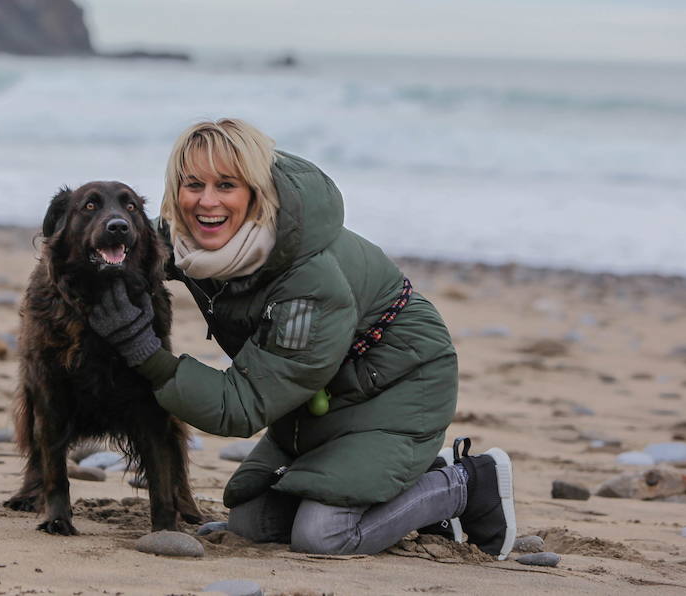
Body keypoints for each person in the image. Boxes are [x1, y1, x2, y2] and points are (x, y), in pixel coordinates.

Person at [87, 118, 516, 558]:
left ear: (256, 191)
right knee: (254, 523)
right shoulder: (192, 239)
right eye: (193, 184)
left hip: (398, 385)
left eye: (227, 185)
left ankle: (466, 483)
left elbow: (243, 405)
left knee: (323, 536)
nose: (207, 201)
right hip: (319, 396)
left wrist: (145, 352)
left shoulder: (308, 283)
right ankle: (415, 479)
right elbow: (127, 245)